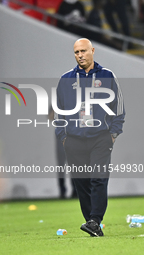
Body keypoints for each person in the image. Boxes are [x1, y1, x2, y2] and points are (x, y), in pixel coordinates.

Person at [55, 38, 125, 237]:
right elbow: (59, 112)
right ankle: (91, 223)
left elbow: (118, 108)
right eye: (77, 52)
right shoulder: (65, 79)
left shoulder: (107, 76)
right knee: (81, 181)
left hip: (101, 137)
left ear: (92, 51)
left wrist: (113, 134)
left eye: (84, 51)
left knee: (98, 178)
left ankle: (95, 220)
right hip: (74, 140)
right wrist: (63, 137)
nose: (80, 55)